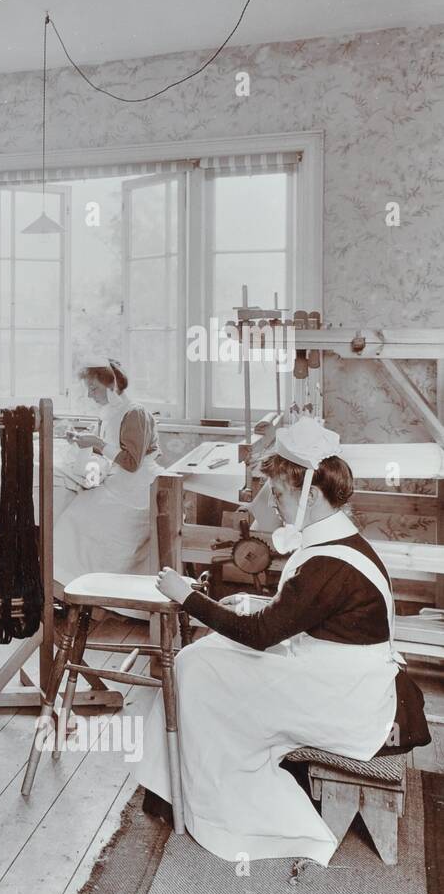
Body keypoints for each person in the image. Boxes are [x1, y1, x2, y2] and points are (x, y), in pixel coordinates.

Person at [143, 417, 399, 865]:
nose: (273, 503)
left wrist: (189, 598)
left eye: (278, 493)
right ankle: (182, 785)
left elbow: (262, 634)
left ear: (311, 496)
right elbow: (299, 613)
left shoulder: (328, 562)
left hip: (343, 698)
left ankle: (203, 800)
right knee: (205, 657)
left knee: (196, 667)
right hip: (340, 675)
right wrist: (247, 601)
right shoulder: (337, 540)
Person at [53, 359, 161, 593]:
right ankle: (75, 588)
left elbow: (132, 463)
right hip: (121, 482)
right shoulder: (111, 413)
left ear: (112, 386)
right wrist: (83, 440)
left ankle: (95, 591)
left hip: (140, 487)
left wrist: (98, 444)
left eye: (94, 388)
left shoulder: (135, 413)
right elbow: (108, 449)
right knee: (73, 516)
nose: (90, 395)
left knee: (81, 521)